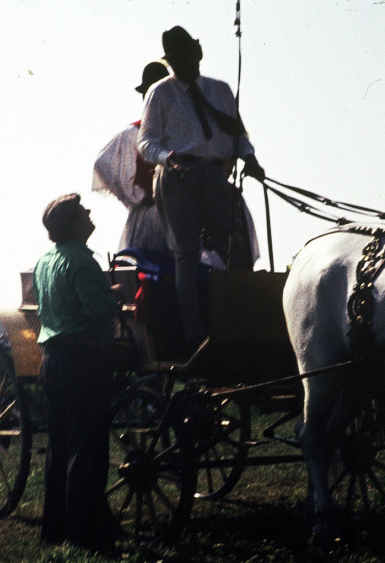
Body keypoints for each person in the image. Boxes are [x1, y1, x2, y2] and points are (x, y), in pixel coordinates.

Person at [138, 25, 265, 358]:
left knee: (234, 248)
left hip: (213, 174)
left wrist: (250, 158)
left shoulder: (220, 90)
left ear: (199, 53)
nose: (186, 63)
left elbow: (238, 135)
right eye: (178, 59)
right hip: (177, 177)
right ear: (171, 62)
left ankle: (241, 324)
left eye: (189, 55)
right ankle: (195, 334)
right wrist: (169, 158)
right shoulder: (160, 93)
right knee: (186, 254)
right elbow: (146, 142)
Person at [33, 193, 121, 552]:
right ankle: (85, 534)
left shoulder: (45, 261)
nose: (88, 214)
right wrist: (115, 295)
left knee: (60, 446)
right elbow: (96, 311)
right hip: (84, 360)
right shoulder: (83, 262)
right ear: (73, 223)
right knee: (88, 447)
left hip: (53, 359)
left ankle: (55, 529)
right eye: (83, 212)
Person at [93, 61, 173, 255]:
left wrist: (132, 196)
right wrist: (134, 196)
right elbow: (102, 164)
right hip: (151, 216)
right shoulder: (133, 133)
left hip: (172, 215)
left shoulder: (178, 132)